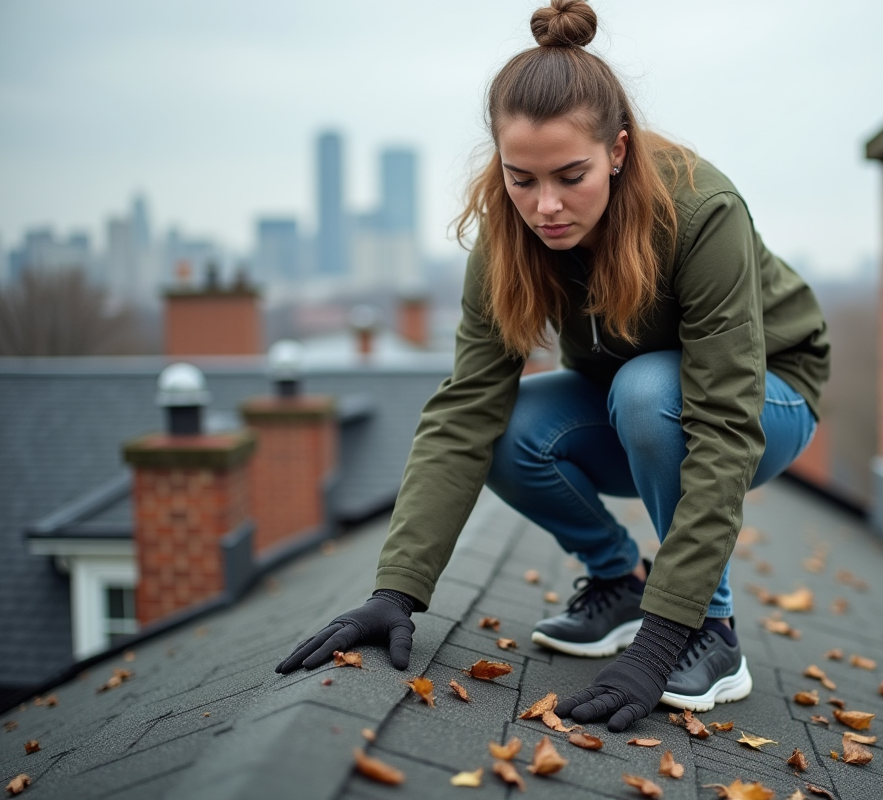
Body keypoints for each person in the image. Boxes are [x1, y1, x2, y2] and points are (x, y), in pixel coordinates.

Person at [277, 0, 829, 733]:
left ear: (618, 151)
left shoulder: (701, 211)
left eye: (571, 176)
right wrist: (396, 591)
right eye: (522, 179)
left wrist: (666, 637)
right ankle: (617, 581)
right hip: (636, 403)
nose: (545, 207)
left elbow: (724, 421)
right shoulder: (509, 233)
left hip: (767, 397)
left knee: (647, 390)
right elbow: (465, 408)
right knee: (510, 424)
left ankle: (711, 633)